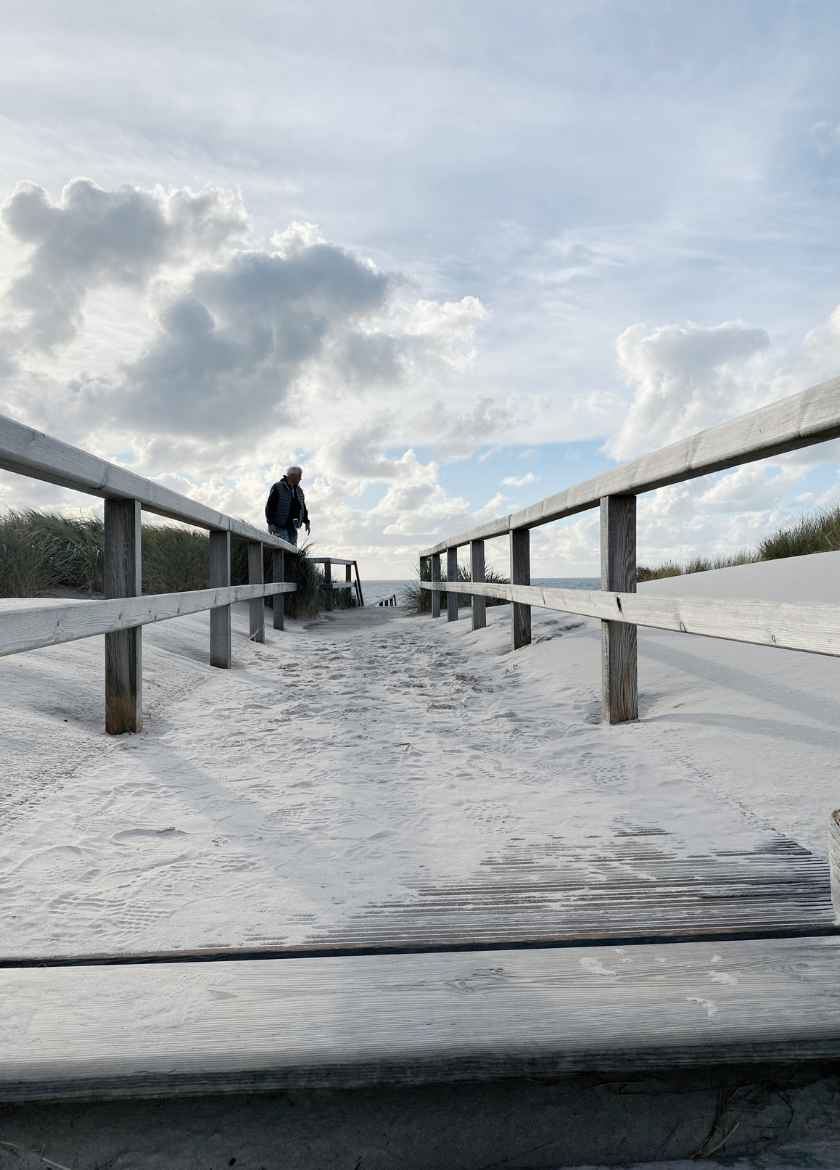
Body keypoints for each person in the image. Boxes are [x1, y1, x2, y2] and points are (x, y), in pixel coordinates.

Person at [265, 465, 311, 545]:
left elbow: (302, 507)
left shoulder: (299, 491)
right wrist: (270, 523)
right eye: (299, 476)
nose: (301, 478)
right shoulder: (278, 487)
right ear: (292, 476)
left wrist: (306, 522)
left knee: (293, 551)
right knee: (284, 548)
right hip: (279, 525)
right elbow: (269, 506)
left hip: (292, 526)